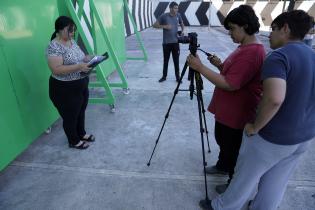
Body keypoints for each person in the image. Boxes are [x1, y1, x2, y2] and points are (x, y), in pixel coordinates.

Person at [204, 10, 315, 210]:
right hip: (303, 137)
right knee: (275, 183)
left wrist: (256, 126)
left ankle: (221, 206)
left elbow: (274, 98)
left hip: (274, 136)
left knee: (244, 179)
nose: (269, 34)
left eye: (273, 29)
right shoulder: (312, 54)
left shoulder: (279, 57)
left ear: (286, 29)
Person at [187, 5, 265, 194]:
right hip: (228, 111)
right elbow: (238, 76)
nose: (229, 33)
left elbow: (231, 84)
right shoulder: (244, 47)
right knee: (223, 141)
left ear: (245, 26)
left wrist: (201, 68)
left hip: (237, 113)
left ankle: (233, 182)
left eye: (232, 28)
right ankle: (223, 166)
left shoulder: (252, 52)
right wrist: (221, 65)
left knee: (232, 148)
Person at [46, 16, 96, 150]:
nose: (73, 33)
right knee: (70, 116)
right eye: (70, 30)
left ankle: (82, 133)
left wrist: (88, 58)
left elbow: (79, 58)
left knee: (81, 111)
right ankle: (73, 141)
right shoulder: (54, 46)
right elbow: (56, 70)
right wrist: (79, 66)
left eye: (73, 30)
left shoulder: (71, 41)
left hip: (80, 84)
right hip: (64, 89)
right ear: (60, 30)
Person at [153, 1, 185, 83]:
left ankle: (178, 77)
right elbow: (155, 25)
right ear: (170, 8)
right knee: (166, 61)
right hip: (166, 43)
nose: (177, 10)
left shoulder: (178, 15)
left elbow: (182, 23)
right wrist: (165, 26)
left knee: (176, 61)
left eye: (177, 8)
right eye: (175, 8)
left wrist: (183, 30)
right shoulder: (164, 16)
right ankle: (164, 77)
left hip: (176, 42)